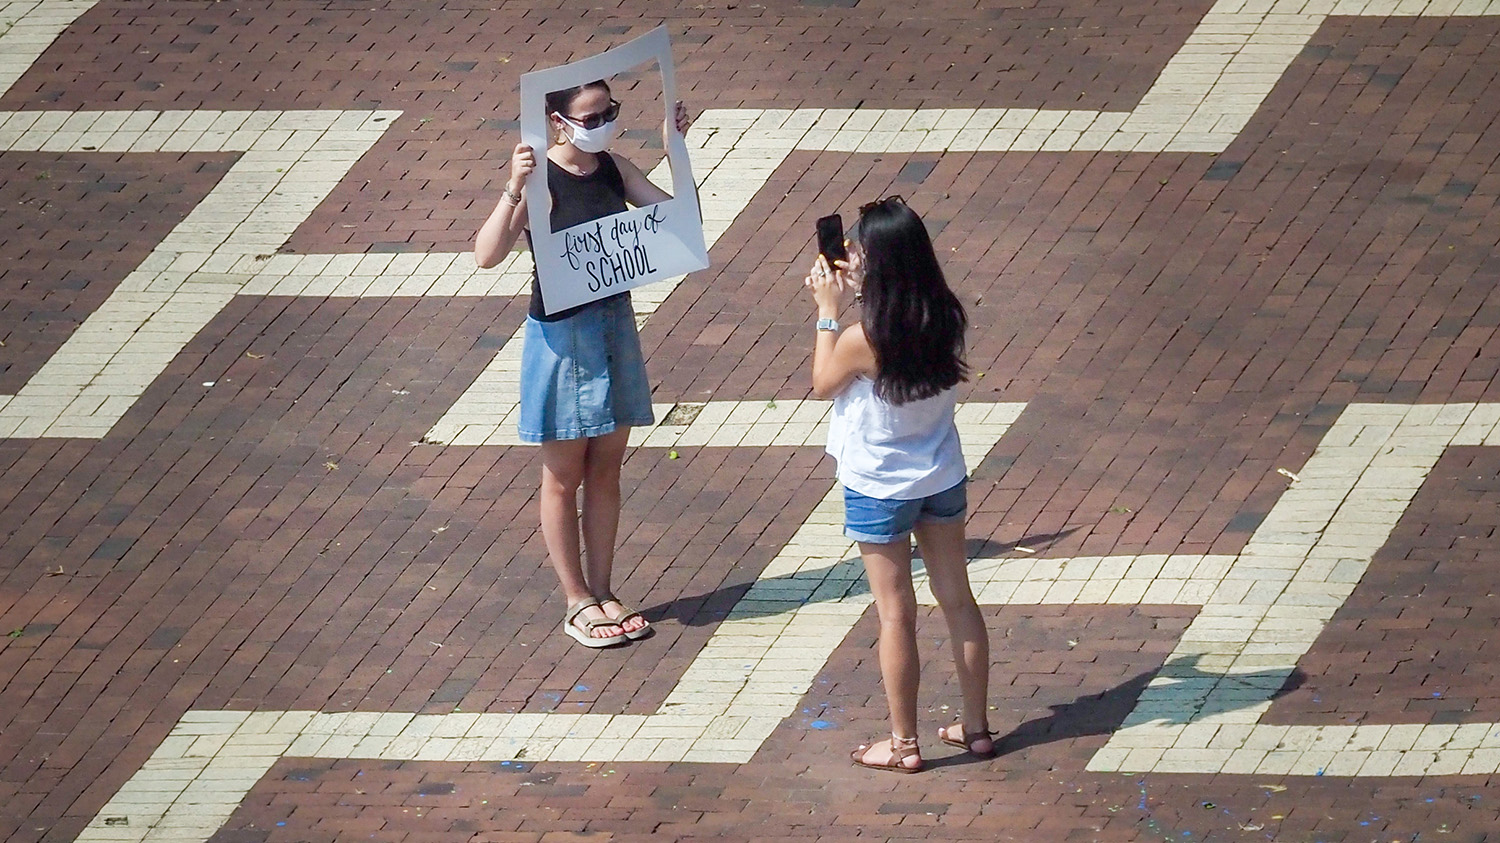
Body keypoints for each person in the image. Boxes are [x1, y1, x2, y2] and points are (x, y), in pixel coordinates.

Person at [475, 80, 691, 648]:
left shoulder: (614, 167)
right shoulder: (540, 180)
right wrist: (512, 188)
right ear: (557, 122)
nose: (603, 122)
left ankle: (603, 588)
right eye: (592, 115)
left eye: (609, 112)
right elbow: (487, 255)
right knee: (563, 473)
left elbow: (678, 225)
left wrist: (677, 154)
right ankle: (577, 601)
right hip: (563, 337)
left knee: (606, 468)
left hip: (613, 326)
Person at [804, 196, 995, 772]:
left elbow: (822, 383)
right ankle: (977, 728)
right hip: (940, 474)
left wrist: (827, 312)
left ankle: (904, 743)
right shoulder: (946, 314)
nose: (851, 256)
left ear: (879, 261)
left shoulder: (866, 337)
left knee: (895, 613)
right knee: (957, 599)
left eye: (859, 249)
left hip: (879, 484)